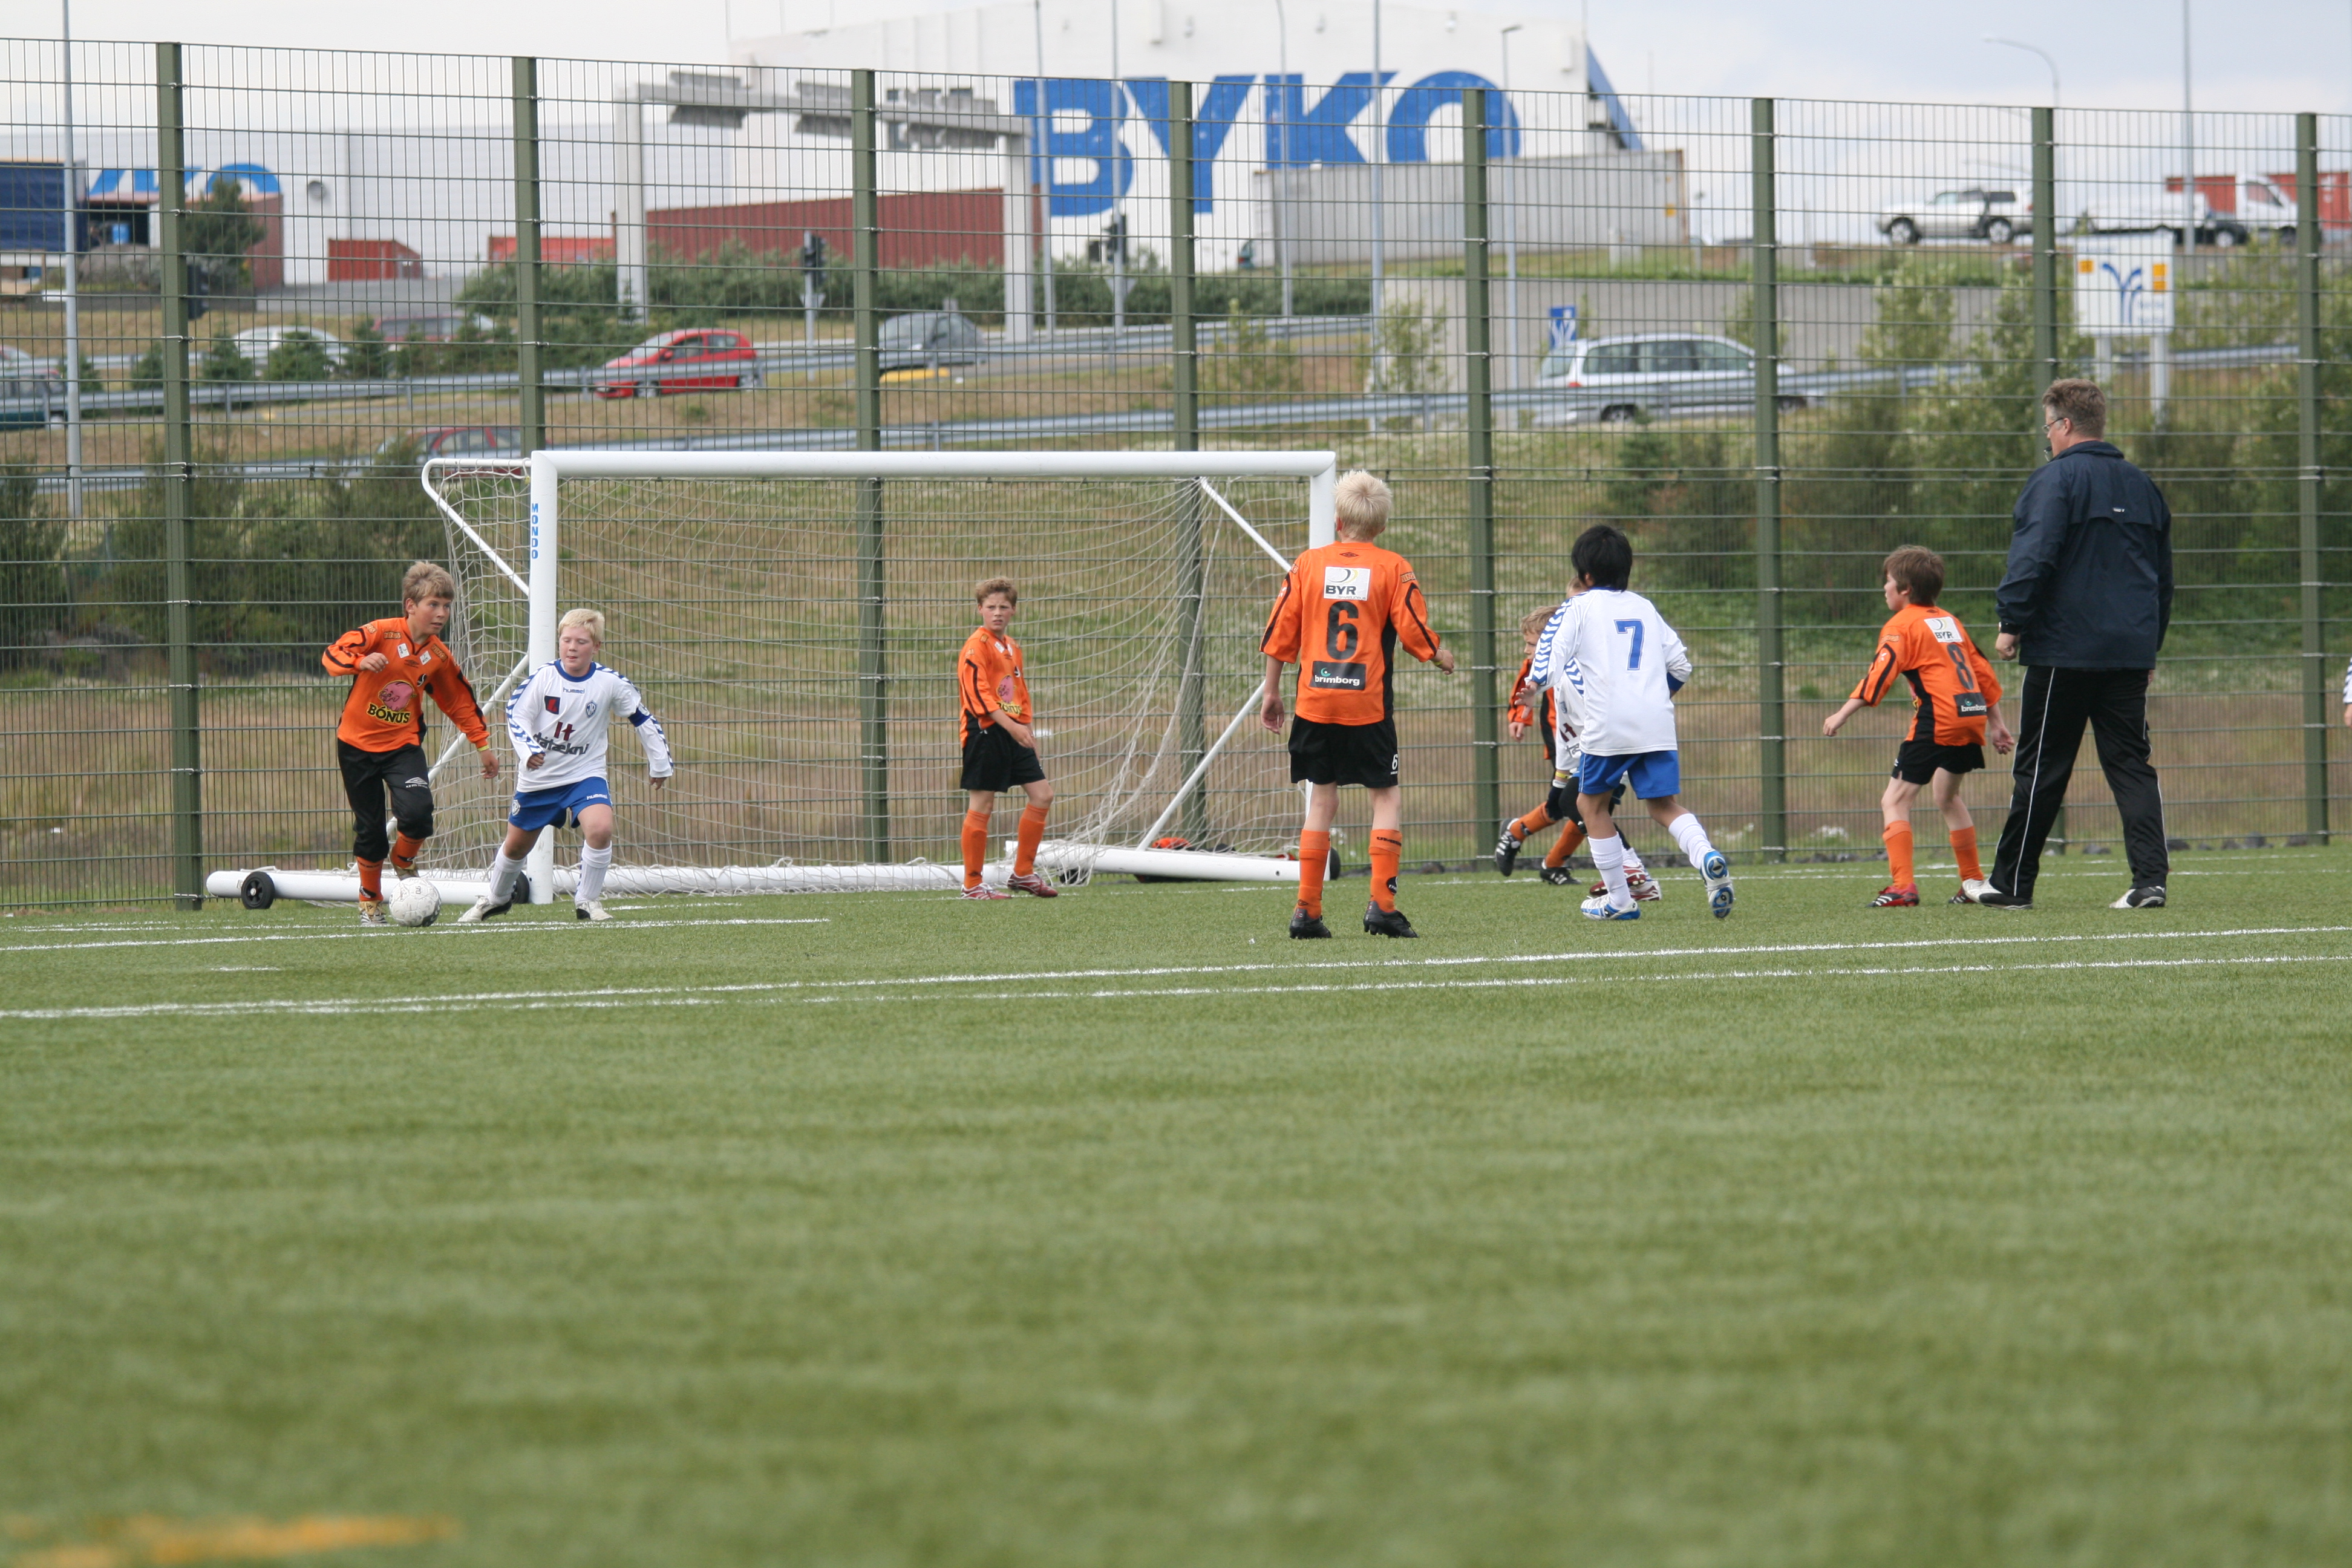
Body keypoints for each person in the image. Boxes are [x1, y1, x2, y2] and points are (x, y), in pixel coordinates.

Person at [1976, 379, 2174, 910]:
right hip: (2128, 651)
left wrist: (2011, 621)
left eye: (2048, 427)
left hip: (2064, 647)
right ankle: (2150, 882)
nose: (2048, 437)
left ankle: (2012, 885)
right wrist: (2149, 647)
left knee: (2043, 764)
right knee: (2131, 763)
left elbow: (2035, 555)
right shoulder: (2142, 486)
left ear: (2064, 425)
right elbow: (2162, 578)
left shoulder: (2054, 480)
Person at [1260, 469, 1455, 938]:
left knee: (1322, 799)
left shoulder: (1308, 564)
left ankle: (1306, 911)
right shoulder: (1392, 567)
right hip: (1367, 705)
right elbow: (1412, 629)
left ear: (1338, 521)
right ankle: (1382, 907)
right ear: (1381, 526)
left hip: (1315, 702)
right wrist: (1438, 654)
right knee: (1385, 796)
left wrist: (1271, 691)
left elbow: (1281, 630)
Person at [1534, 524, 1733, 922]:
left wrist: (1533, 686)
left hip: (1608, 724)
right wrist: (1654, 698)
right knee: (1663, 805)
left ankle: (1620, 900)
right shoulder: (1644, 607)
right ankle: (1706, 856)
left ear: (1584, 574)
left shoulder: (1578, 606)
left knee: (1589, 804)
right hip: (1656, 722)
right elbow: (1681, 666)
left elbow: (1549, 654)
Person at [1821, 546, 2015, 907]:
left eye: (1888, 581)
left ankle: (1902, 887)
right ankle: (1973, 881)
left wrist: (1842, 713)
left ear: (1905, 589)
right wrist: (1997, 724)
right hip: (1971, 713)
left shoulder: (1901, 625)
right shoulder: (1949, 621)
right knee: (1947, 796)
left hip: (1939, 718)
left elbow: (1880, 675)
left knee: (1894, 800)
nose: (1884, 588)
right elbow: (1983, 672)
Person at [459, 607, 673, 924]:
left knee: (600, 829)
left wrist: (660, 763)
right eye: (566, 640)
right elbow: (516, 714)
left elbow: (642, 718)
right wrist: (529, 750)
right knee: (516, 848)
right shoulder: (544, 678)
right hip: (540, 778)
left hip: (585, 774)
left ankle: (587, 901)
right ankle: (497, 898)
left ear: (596, 646)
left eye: (581, 642)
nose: (572, 648)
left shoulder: (609, 683)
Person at [321, 561, 498, 926]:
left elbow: (459, 702)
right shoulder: (380, 632)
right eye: (434, 605)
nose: (442, 613)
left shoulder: (438, 656)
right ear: (411, 606)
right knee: (370, 830)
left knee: (418, 814)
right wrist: (359, 661)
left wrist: (482, 745)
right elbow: (333, 653)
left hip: (403, 746)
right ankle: (370, 901)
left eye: (447, 606)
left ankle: (403, 860)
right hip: (356, 746)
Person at [1500, 600, 1653, 899]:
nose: (1527, 652)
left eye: (1531, 645)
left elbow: (1596, 713)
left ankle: (1630, 873)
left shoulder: (1575, 671)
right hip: (1581, 746)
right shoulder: (1558, 673)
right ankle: (1628, 875)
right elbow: (1561, 721)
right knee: (1572, 803)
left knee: (1580, 804)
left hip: (1607, 744)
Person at [956, 578, 1057, 900]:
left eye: (1003, 607)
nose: (997, 613)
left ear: (1013, 610)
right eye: (991, 607)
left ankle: (1023, 873)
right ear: (980, 610)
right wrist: (1012, 728)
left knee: (1042, 795)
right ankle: (972, 884)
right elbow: (978, 697)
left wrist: (1025, 729)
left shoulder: (1012, 647)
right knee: (983, 804)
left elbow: (1020, 694)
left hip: (1015, 730)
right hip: (986, 732)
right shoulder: (976, 647)